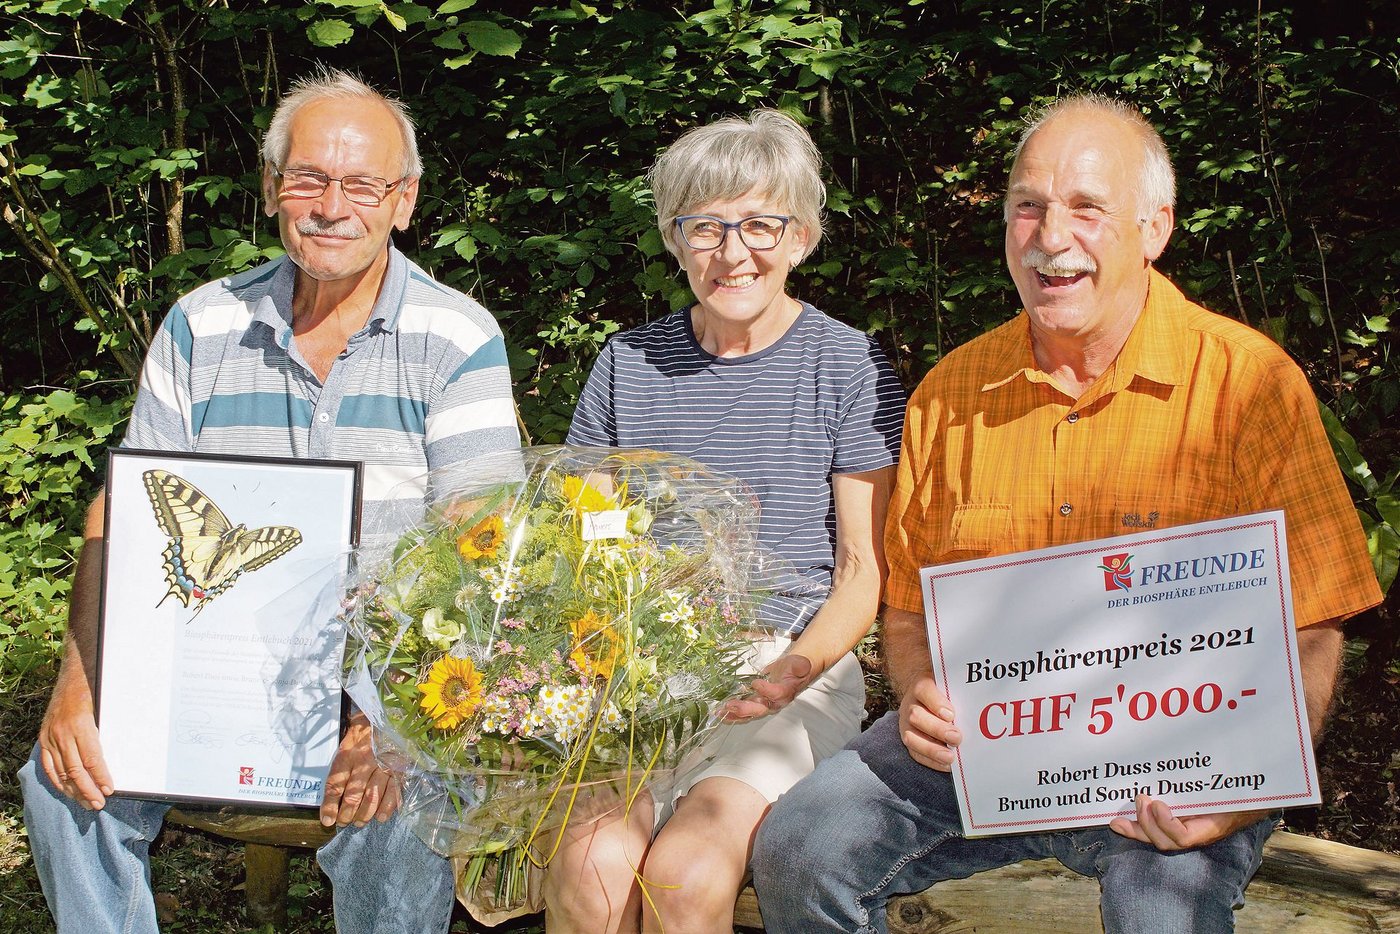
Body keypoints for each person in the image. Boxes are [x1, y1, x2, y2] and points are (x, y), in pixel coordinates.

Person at [750, 93, 1383, 933]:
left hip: (1181, 769)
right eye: (1029, 207)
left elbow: (1316, 622)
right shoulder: (953, 394)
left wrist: (1246, 791)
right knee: (800, 846)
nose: (1052, 238)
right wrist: (919, 695)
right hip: (984, 753)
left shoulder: (1247, 383)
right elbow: (908, 608)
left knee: (1165, 913)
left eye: (1088, 208)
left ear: (1155, 228)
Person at [19, 68, 519, 933]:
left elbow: (484, 548)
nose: (333, 205)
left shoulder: (458, 336)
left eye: (362, 184)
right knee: (62, 779)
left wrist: (391, 728)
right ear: (270, 189)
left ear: (403, 203)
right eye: (308, 178)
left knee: (400, 809)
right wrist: (78, 685)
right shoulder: (199, 324)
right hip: (209, 669)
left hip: (386, 681)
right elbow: (125, 511)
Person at [544, 110, 906, 933]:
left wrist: (795, 669)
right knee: (592, 868)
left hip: (782, 666)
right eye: (705, 227)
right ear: (674, 241)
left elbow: (860, 573)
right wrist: (595, 655)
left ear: (804, 236)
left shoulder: (847, 364)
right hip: (635, 664)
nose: (733, 252)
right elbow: (589, 541)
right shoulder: (627, 363)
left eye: (760, 225)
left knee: (686, 872)